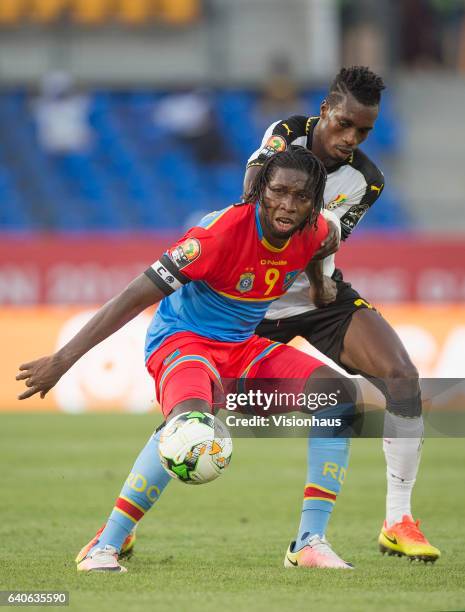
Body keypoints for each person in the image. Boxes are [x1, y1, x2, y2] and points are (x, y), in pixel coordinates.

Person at [17, 147, 357, 572]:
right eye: (278, 192)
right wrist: (63, 359)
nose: (288, 205)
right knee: (190, 428)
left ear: (315, 202)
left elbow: (325, 242)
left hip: (242, 347)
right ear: (260, 191)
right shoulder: (216, 237)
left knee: (338, 394)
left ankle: (309, 543)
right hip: (183, 341)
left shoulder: (319, 229)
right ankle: (104, 545)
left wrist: (320, 284)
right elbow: (132, 296)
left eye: (301, 196)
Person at [245, 66, 440, 563]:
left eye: (364, 131)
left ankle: (398, 519)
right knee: (201, 407)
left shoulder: (366, 180)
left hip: (315, 291)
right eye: (344, 125)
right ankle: (124, 520)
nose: (351, 138)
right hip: (251, 292)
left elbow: (323, 244)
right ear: (325, 111)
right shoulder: (287, 133)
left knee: (402, 377)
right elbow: (251, 194)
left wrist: (319, 284)